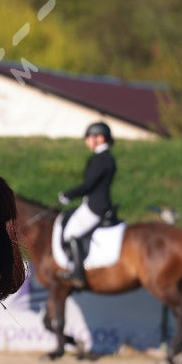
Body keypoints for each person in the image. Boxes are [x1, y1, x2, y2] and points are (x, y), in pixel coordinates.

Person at [56, 121, 117, 287]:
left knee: (70, 233)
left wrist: (68, 195)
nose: (87, 142)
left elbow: (89, 185)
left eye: (89, 138)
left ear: (100, 138)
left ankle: (78, 274)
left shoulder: (101, 159)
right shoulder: (105, 158)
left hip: (96, 206)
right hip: (94, 203)